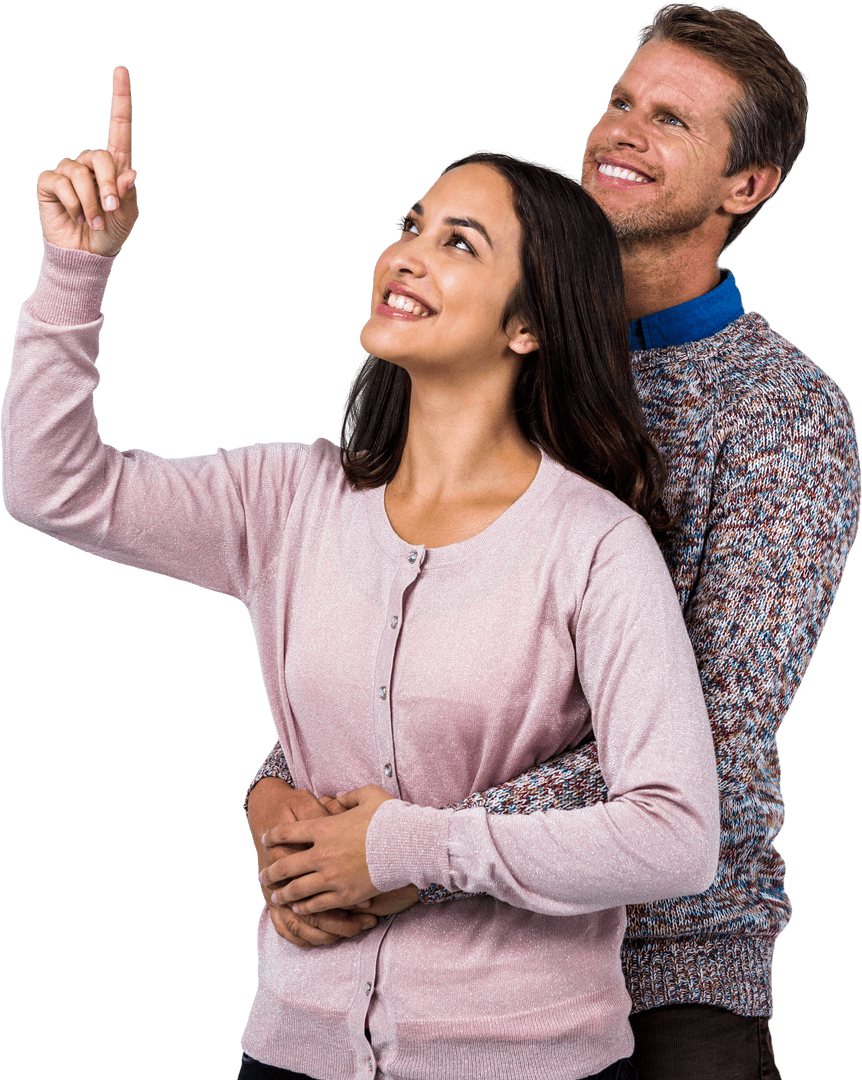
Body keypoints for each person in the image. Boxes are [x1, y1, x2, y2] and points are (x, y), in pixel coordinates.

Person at [2, 64, 722, 1080]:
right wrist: (77, 268)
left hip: (523, 1064)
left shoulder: (594, 545)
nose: (406, 256)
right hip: (290, 1050)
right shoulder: (288, 499)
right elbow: (51, 488)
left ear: (531, 325)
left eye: (457, 243)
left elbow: (674, 837)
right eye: (411, 223)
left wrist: (403, 850)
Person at [246, 5, 862, 1079]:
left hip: (667, 971)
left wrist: (401, 847)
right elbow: (391, 616)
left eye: (669, 119)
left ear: (745, 185)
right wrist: (283, 794)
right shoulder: (486, 357)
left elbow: (709, 729)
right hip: (435, 970)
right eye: (620, 99)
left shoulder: (782, 417)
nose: (620, 129)